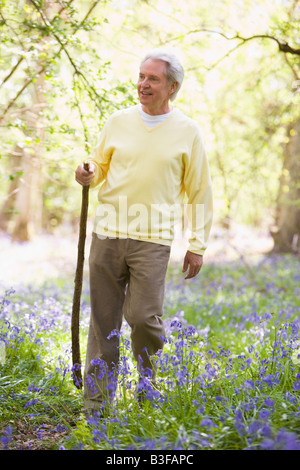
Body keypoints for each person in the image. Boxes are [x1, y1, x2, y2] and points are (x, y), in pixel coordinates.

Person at [75, 48, 213, 415]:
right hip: (107, 234)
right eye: (141, 76)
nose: (143, 84)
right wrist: (87, 174)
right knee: (103, 321)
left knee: (143, 319)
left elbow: (199, 191)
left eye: (152, 79)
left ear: (172, 87)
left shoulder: (188, 131)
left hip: (152, 239)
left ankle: (148, 387)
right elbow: (99, 166)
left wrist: (196, 245)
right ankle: (97, 405)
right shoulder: (118, 121)